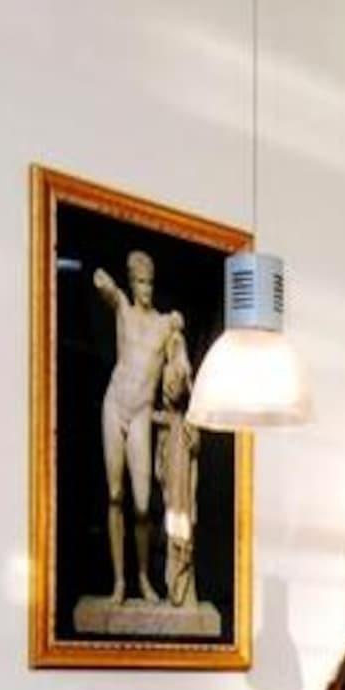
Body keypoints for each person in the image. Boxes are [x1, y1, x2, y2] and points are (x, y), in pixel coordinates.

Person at [92, 251, 190, 606]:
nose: (145, 289)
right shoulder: (123, 308)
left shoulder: (164, 324)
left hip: (141, 412)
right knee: (115, 494)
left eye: (149, 282)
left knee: (143, 504)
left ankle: (144, 577)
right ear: (132, 284)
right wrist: (106, 284)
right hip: (115, 403)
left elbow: (179, 362)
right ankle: (120, 582)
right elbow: (101, 282)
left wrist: (178, 327)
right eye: (140, 282)